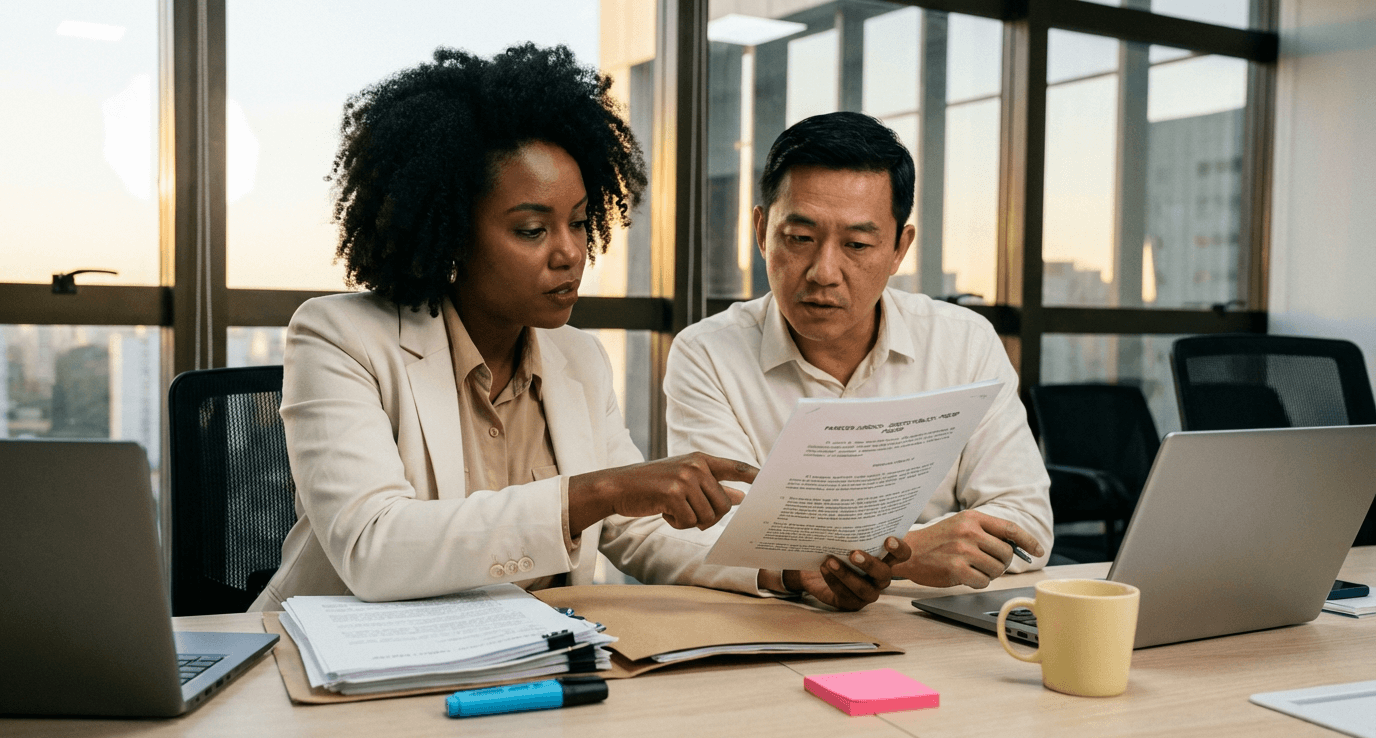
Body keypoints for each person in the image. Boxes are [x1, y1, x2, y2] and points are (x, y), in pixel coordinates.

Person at [251, 47, 908, 613]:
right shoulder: (339, 337)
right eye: (532, 229)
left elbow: (636, 532)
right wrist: (602, 489)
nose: (570, 252)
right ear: (449, 233)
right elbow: (374, 548)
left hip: (526, 663)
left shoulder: (578, 358)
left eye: (578, 222)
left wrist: (783, 573)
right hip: (333, 669)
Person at [665, 112, 1053, 593]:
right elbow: (726, 538)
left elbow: (1027, 522)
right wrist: (908, 551)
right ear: (762, 231)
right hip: (782, 624)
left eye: (857, 244)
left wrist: (885, 560)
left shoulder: (964, 342)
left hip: (936, 621)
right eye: (801, 239)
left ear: (898, 249)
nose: (824, 271)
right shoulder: (707, 354)